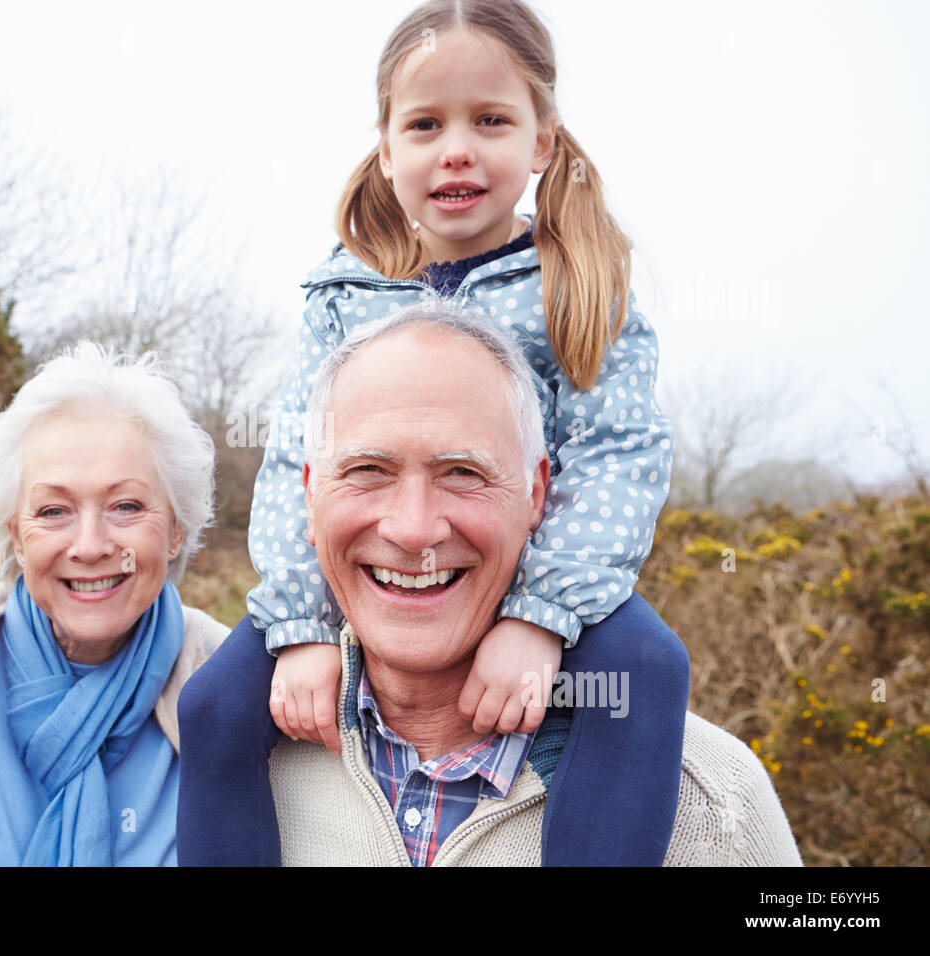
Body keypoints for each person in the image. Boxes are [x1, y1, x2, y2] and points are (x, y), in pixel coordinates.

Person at [178, 0, 689, 866]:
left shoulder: (577, 283)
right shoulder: (345, 291)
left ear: (542, 142)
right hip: (375, 573)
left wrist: (541, 616)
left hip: (542, 570)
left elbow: (618, 456)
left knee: (645, 674)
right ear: (386, 150)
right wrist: (302, 622)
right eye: (425, 124)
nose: (457, 148)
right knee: (213, 709)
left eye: (490, 119)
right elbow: (301, 457)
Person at [262, 302, 800, 865]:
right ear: (308, 496)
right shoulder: (236, 763)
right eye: (367, 471)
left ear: (538, 495)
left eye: (463, 473)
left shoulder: (715, 806)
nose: (414, 529)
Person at [0, 342, 228, 866]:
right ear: (16, 537)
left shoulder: (228, 672)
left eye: (126, 505)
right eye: (54, 510)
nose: (89, 545)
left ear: (176, 530)